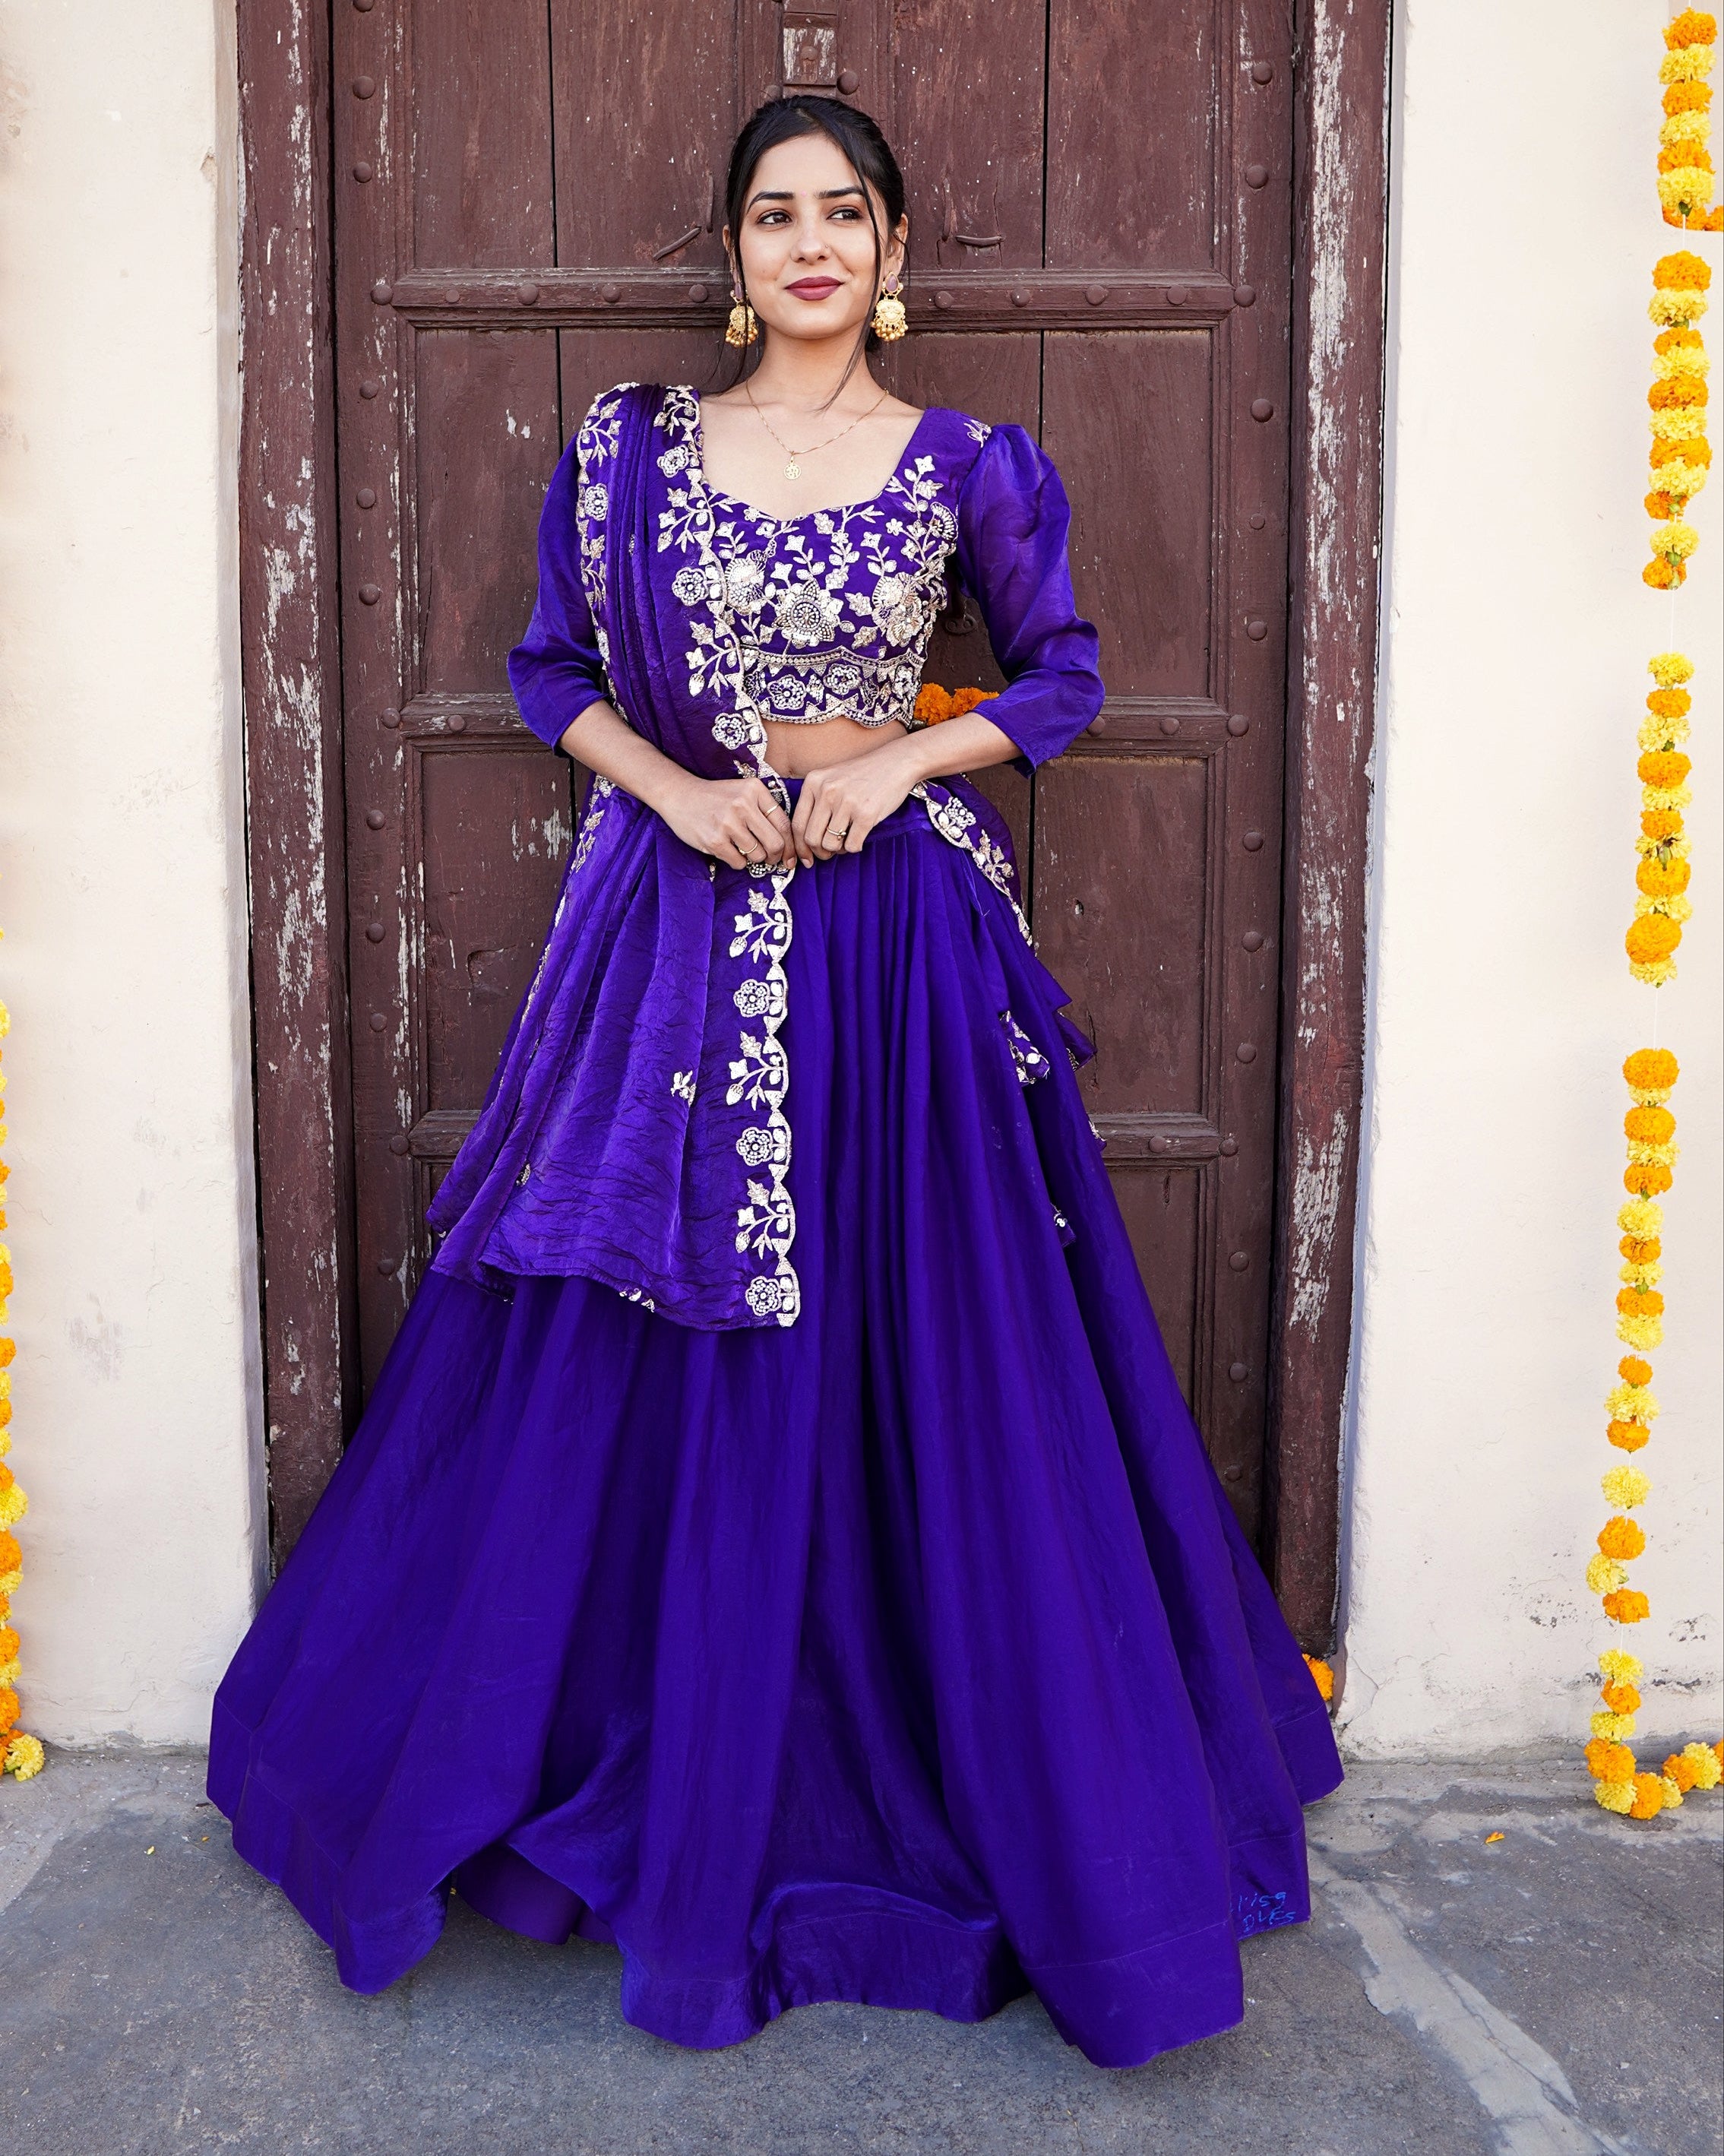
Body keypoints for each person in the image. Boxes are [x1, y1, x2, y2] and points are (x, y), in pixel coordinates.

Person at [209, 93, 1341, 2070]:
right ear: (732, 254)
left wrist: (899, 763)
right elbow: (551, 669)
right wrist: (683, 791)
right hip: (671, 937)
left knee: (923, 1345)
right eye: (772, 216)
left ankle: (947, 1764)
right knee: (645, 1349)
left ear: (892, 249)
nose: (809, 245)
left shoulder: (975, 462)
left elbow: (1061, 674)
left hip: (894, 955)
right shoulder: (631, 452)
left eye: (844, 214)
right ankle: (629, 1747)